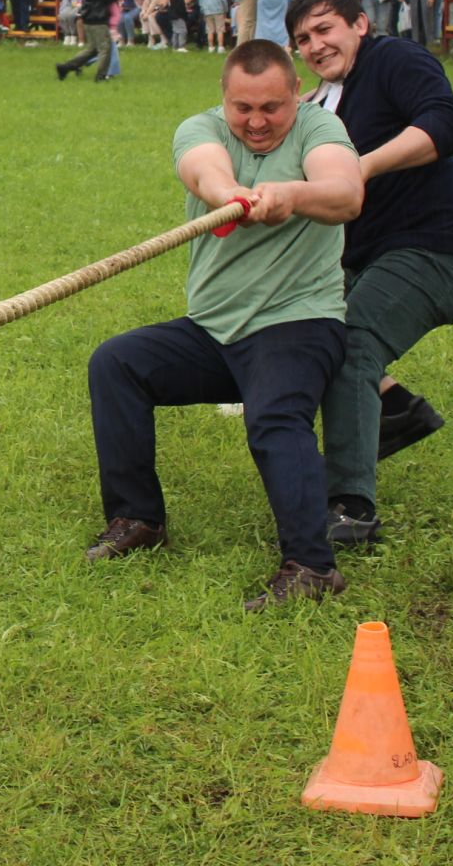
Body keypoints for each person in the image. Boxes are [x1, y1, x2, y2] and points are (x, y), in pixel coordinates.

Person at [84, 39, 363, 610]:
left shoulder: (321, 131)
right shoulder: (202, 128)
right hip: (214, 328)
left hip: (299, 322)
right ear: (224, 99)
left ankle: (313, 566)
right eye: (244, 108)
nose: (256, 122)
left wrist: (292, 194)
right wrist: (227, 194)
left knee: (274, 414)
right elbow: (201, 170)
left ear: (295, 95)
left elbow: (345, 193)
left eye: (271, 108)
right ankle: (138, 520)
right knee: (117, 364)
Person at [288, 0, 453, 545]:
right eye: (303, 39)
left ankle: (350, 509)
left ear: (359, 25)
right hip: (364, 260)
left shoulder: (394, 59)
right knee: (305, 332)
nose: (315, 45)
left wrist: (361, 166)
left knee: (351, 339)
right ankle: (396, 411)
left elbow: (447, 125)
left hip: (434, 251)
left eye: (325, 29)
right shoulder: (323, 101)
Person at [53, 0, 118, 81]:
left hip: (91, 18)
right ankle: (101, 76)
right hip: (97, 19)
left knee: (92, 50)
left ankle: (65, 67)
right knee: (105, 48)